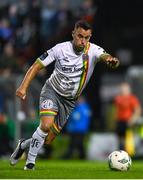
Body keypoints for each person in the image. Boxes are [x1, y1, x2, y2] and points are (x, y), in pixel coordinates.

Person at [10, 20, 120, 170]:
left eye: (86, 37)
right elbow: (37, 65)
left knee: (47, 139)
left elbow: (105, 56)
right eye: (80, 36)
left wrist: (111, 60)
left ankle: (23, 144)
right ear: (73, 33)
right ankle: (30, 164)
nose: (83, 40)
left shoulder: (93, 50)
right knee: (46, 125)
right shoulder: (60, 49)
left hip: (69, 101)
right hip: (52, 91)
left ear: (90, 37)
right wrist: (23, 87)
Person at [114, 82, 141, 151]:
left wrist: (132, 119)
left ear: (129, 89)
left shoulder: (132, 98)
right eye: (122, 88)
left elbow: (137, 110)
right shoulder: (118, 98)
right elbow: (116, 110)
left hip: (128, 121)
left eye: (125, 88)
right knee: (120, 139)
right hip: (120, 121)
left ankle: (129, 154)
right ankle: (120, 153)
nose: (123, 90)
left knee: (128, 139)